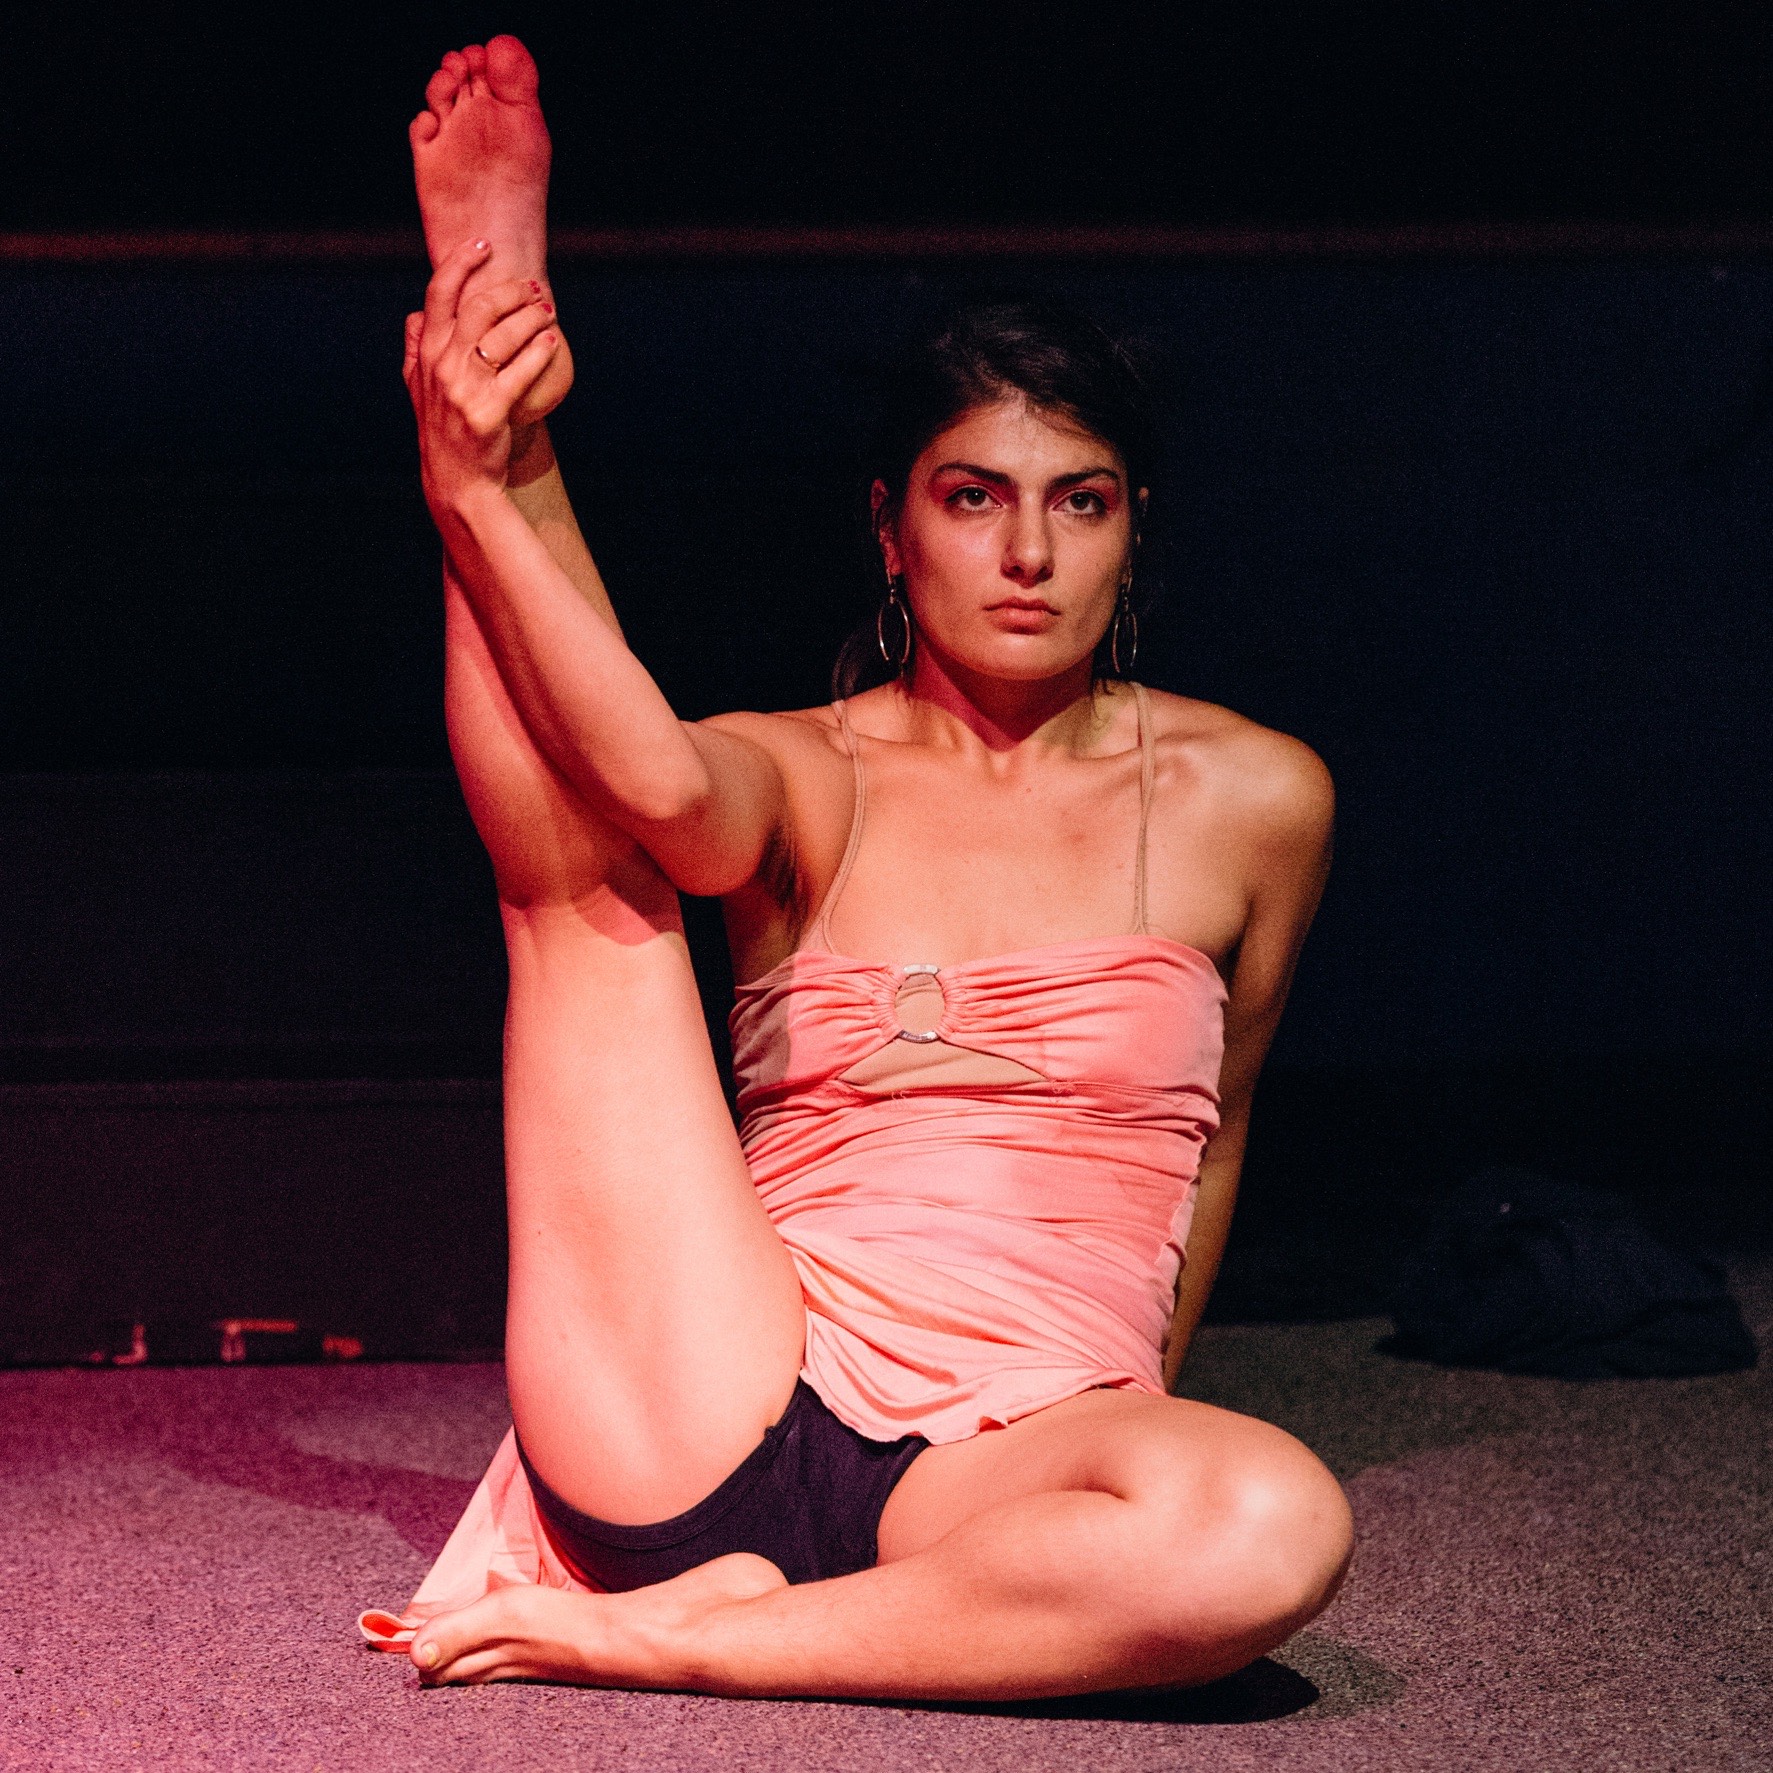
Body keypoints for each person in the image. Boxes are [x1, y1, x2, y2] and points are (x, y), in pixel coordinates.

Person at [361, 35, 1352, 1699]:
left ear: (1132, 528)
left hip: (1009, 1452)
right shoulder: (809, 764)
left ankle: (689, 1637)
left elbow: (1218, 1134)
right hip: (708, 1394)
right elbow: (648, 780)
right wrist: (479, 477)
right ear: (892, 528)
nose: (1027, 553)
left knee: (1265, 1522)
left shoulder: (1256, 797)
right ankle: (488, 344)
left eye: (1079, 502)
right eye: (973, 498)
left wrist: (1124, 1428)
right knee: (583, 892)